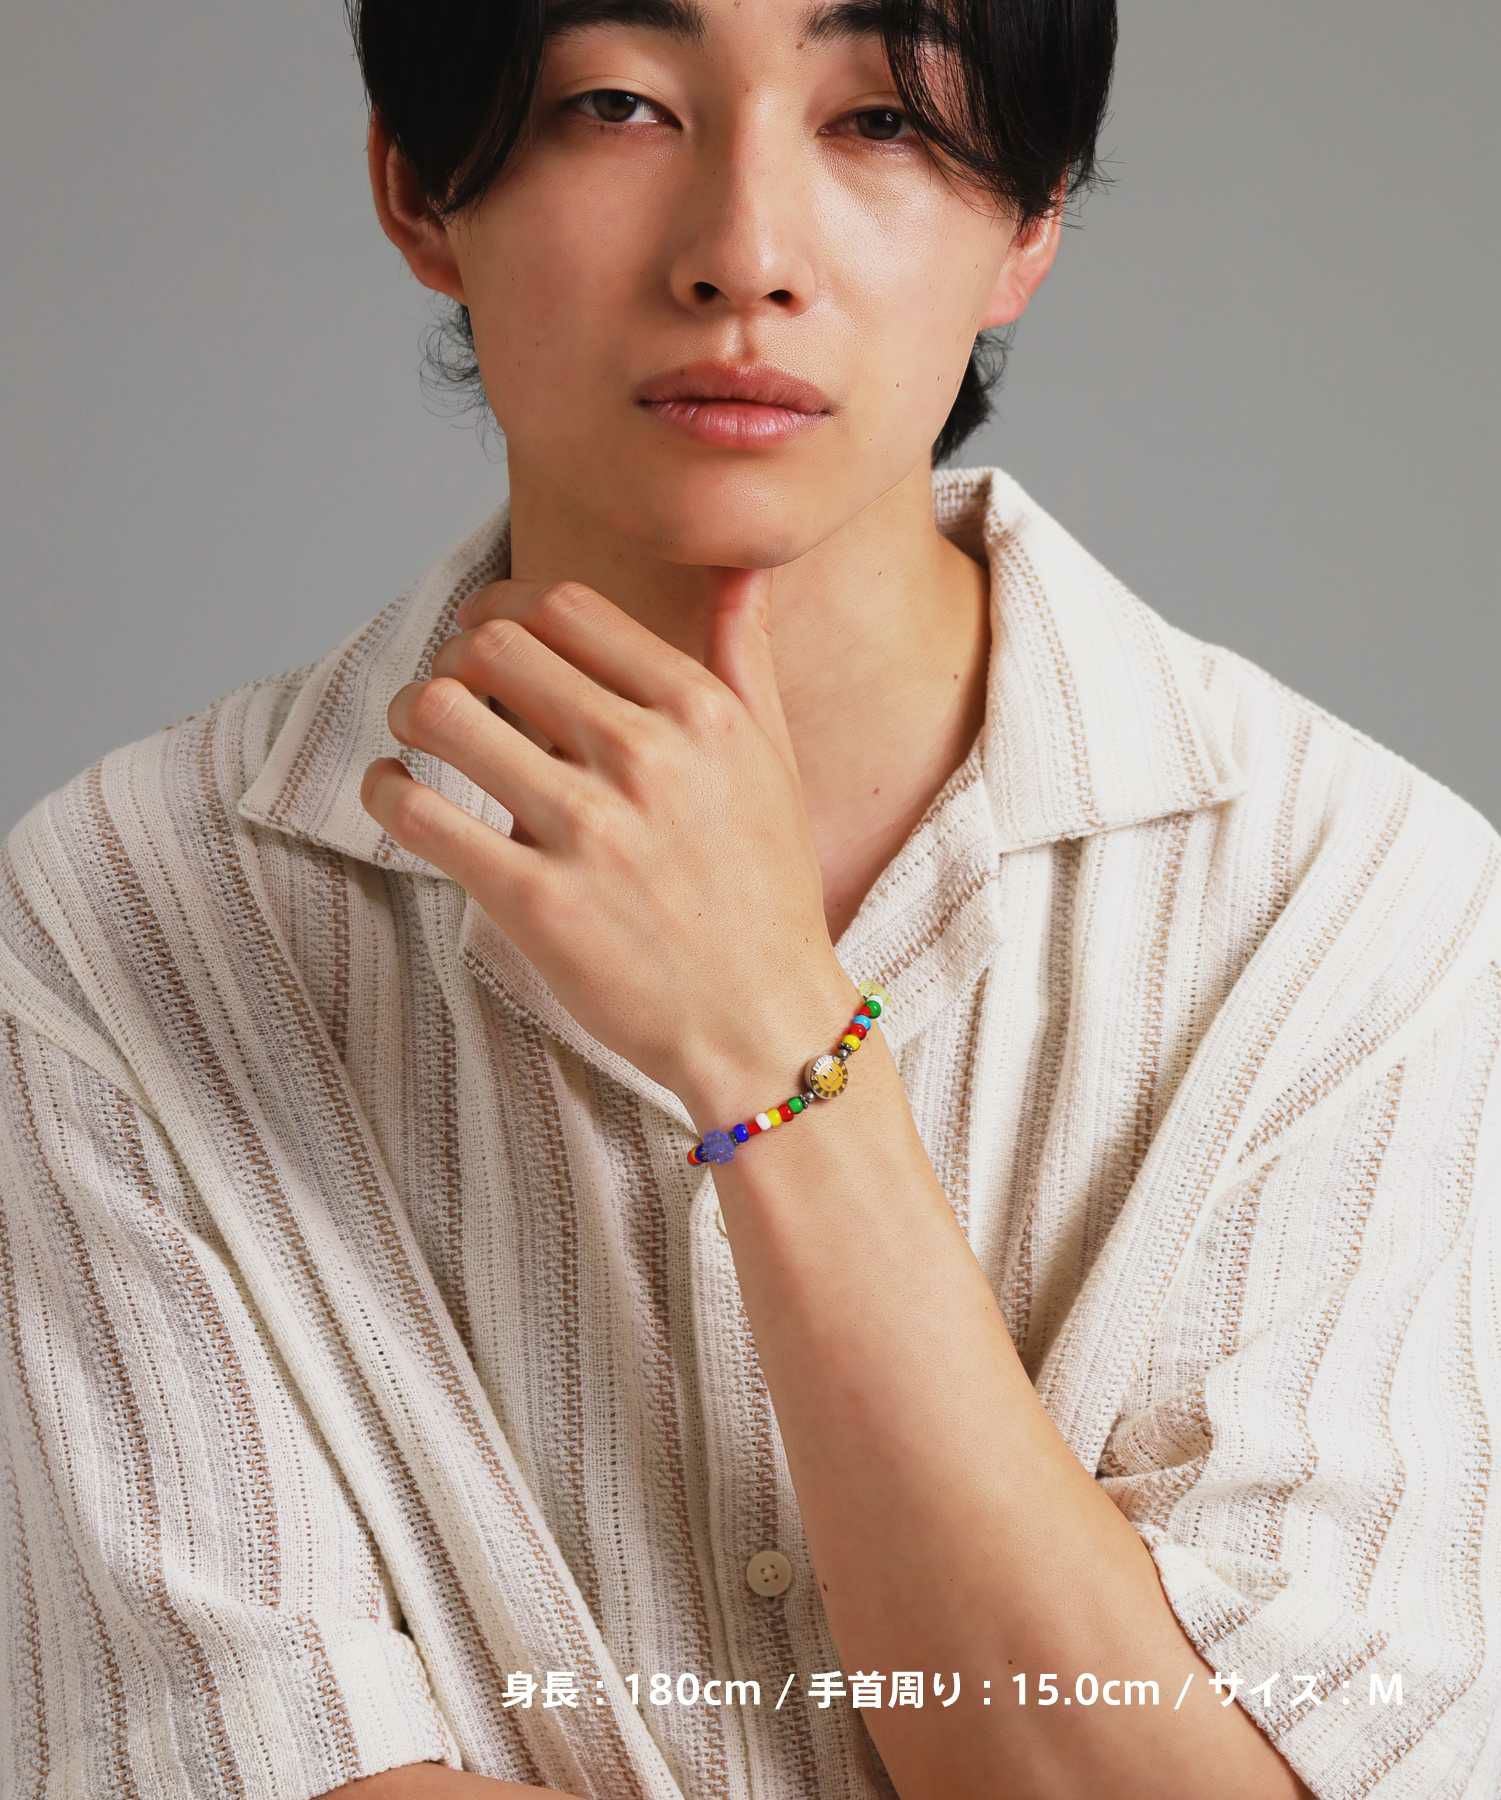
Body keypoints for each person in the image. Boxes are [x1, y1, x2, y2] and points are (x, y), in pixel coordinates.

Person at [2, 1, 1497, 1796]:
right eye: (616, 104)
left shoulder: (1361, 916)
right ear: (417, 186)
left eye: (882, 120)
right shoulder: (122, 917)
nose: (743, 257)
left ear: (1031, 218)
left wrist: (775, 1041)